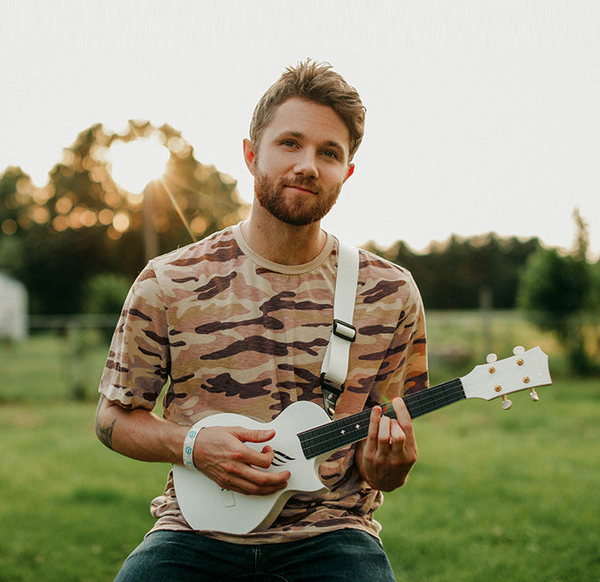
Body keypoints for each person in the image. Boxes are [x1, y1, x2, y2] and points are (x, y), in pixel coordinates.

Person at [96, 59, 428, 581]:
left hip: (332, 534)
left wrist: (390, 468)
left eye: (329, 153)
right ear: (251, 154)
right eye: (290, 143)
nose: (308, 165)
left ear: (348, 172)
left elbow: (376, 454)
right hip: (191, 534)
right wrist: (191, 446)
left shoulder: (388, 293)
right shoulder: (169, 280)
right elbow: (112, 418)